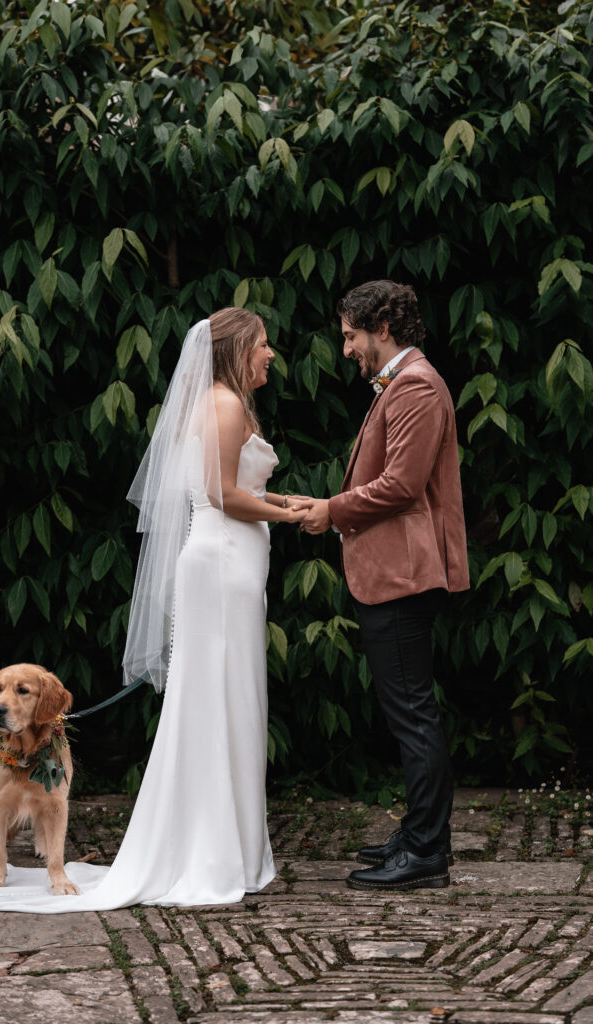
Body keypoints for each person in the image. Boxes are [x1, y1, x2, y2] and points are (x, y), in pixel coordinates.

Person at [0, 308, 306, 912]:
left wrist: (279, 499)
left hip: (228, 564)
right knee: (218, 701)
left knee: (230, 699)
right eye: (264, 344)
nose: (271, 354)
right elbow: (218, 495)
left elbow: (221, 486)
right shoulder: (224, 403)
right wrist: (289, 516)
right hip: (220, 566)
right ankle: (211, 853)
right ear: (237, 348)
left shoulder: (221, 403)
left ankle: (226, 848)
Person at [295, 280, 469, 892]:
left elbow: (401, 484)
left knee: (413, 714)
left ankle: (425, 852)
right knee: (409, 711)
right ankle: (421, 836)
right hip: (395, 572)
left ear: (383, 329)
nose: (345, 349)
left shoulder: (416, 384)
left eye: (350, 335)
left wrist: (332, 510)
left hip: (403, 574)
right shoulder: (405, 381)